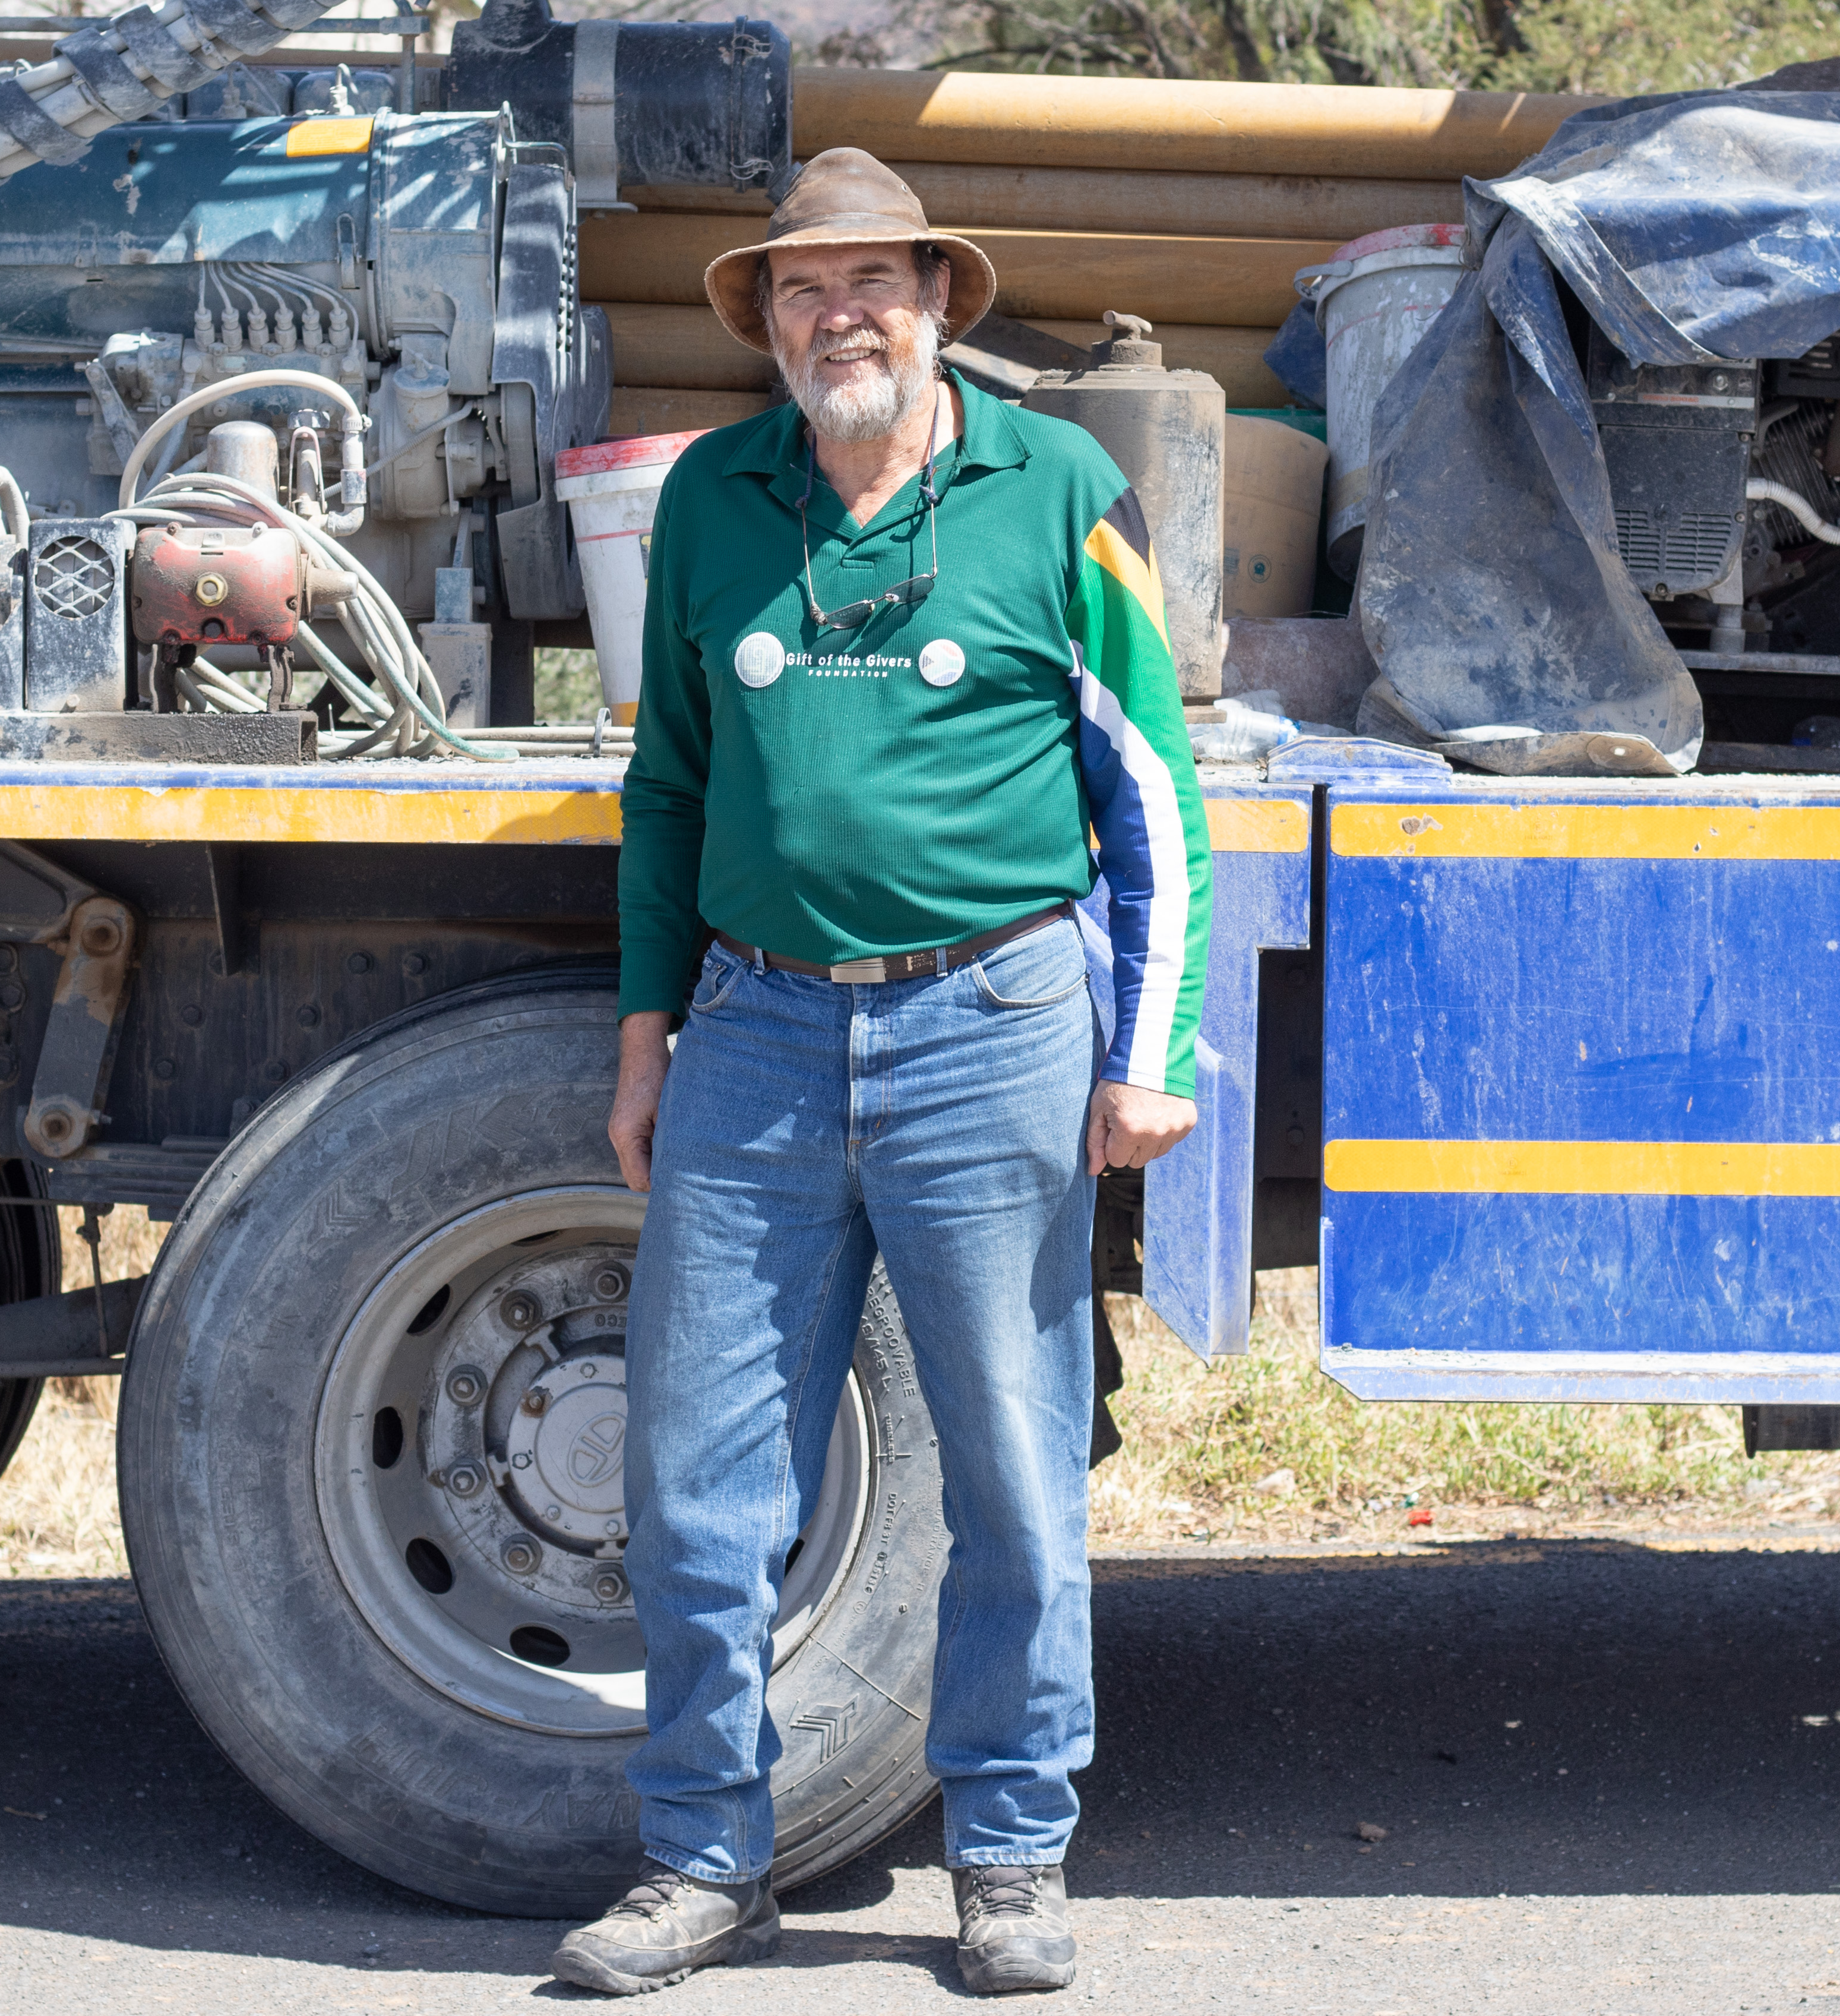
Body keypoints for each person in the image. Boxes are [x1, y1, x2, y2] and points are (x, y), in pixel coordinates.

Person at [548, 148, 1213, 1998]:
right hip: (753, 1031)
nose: (837, 314)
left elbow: (1145, 779)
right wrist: (643, 1024)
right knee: (696, 1474)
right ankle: (702, 1860)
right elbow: (667, 782)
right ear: (765, 321)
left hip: (988, 1025)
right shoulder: (710, 498)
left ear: (936, 300)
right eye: (798, 288)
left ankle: (1006, 1850)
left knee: (1007, 1466)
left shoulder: (1058, 490)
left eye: (872, 282)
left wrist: (1147, 1046)